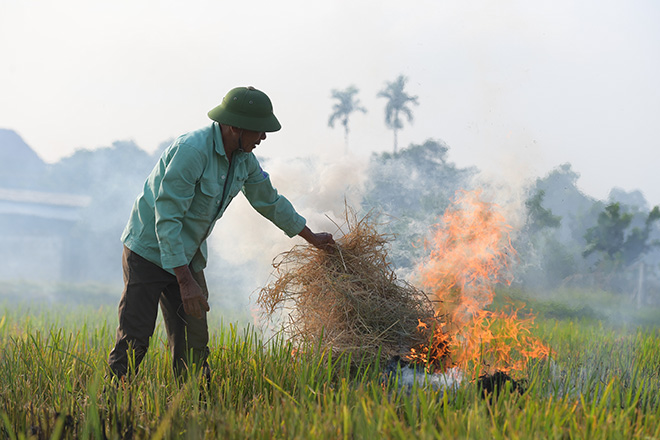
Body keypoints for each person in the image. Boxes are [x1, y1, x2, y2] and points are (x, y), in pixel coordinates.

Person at [107, 86, 335, 380]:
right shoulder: (191, 152)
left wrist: (312, 237)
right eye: (258, 131)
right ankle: (111, 403)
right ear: (234, 127)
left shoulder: (243, 159)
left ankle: (192, 405)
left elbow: (270, 201)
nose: (263, 138)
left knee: (194, 341)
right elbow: (167, 219)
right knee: (135, 337)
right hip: (148, 251)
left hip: (187, 254)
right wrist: (185, 280)